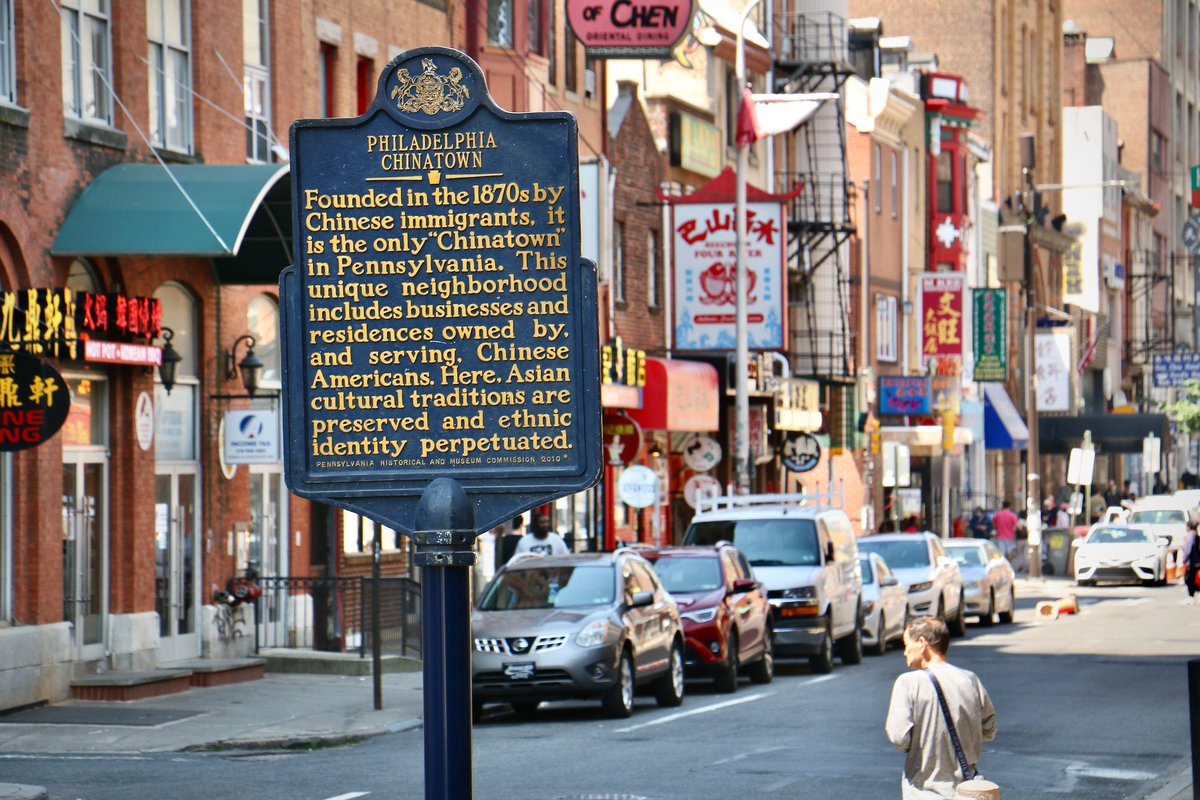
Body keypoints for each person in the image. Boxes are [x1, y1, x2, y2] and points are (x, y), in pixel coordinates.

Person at [885, 617, 997, 799]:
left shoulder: (908, 683)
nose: (905, 652)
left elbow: (899, 737)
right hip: (967, 792)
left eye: (907, 644)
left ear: (922, 643)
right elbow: (989, 729)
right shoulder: (970, 679)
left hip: (923, 791)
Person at [1182, 521, 1200, 605]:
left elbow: (1188, 549)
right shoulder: (1195, 535)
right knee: (1195, 580)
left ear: (1188, 527)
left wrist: (1184, 560)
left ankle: (1191, 597)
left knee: (1189, 580)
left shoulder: (1190, 536)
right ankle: (1192, 597)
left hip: (1192, 562)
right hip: (1196, 561)